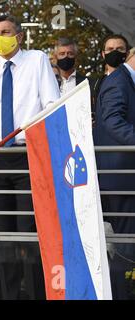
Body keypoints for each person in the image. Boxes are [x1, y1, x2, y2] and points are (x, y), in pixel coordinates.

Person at [0, 15, 60, 300]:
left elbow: (51, 104)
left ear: (19, 36)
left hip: (28, 156)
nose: (0, 37)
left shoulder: (37, 60)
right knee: (1, 235)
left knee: (29, 231)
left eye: (5, 31)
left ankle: (35, 295)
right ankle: (10, 296)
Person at [94, 49, 135, 300]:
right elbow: (112, 121)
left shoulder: (123, 80)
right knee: (126, 246)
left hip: (125, 176)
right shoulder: (118, 81)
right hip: (121, 178)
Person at [91, 35, 130, 111]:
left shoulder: (132, 80)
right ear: (103, 54)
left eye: (119, 49)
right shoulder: (96, 85)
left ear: (127, 54)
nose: (115, 52)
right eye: (110, 49)